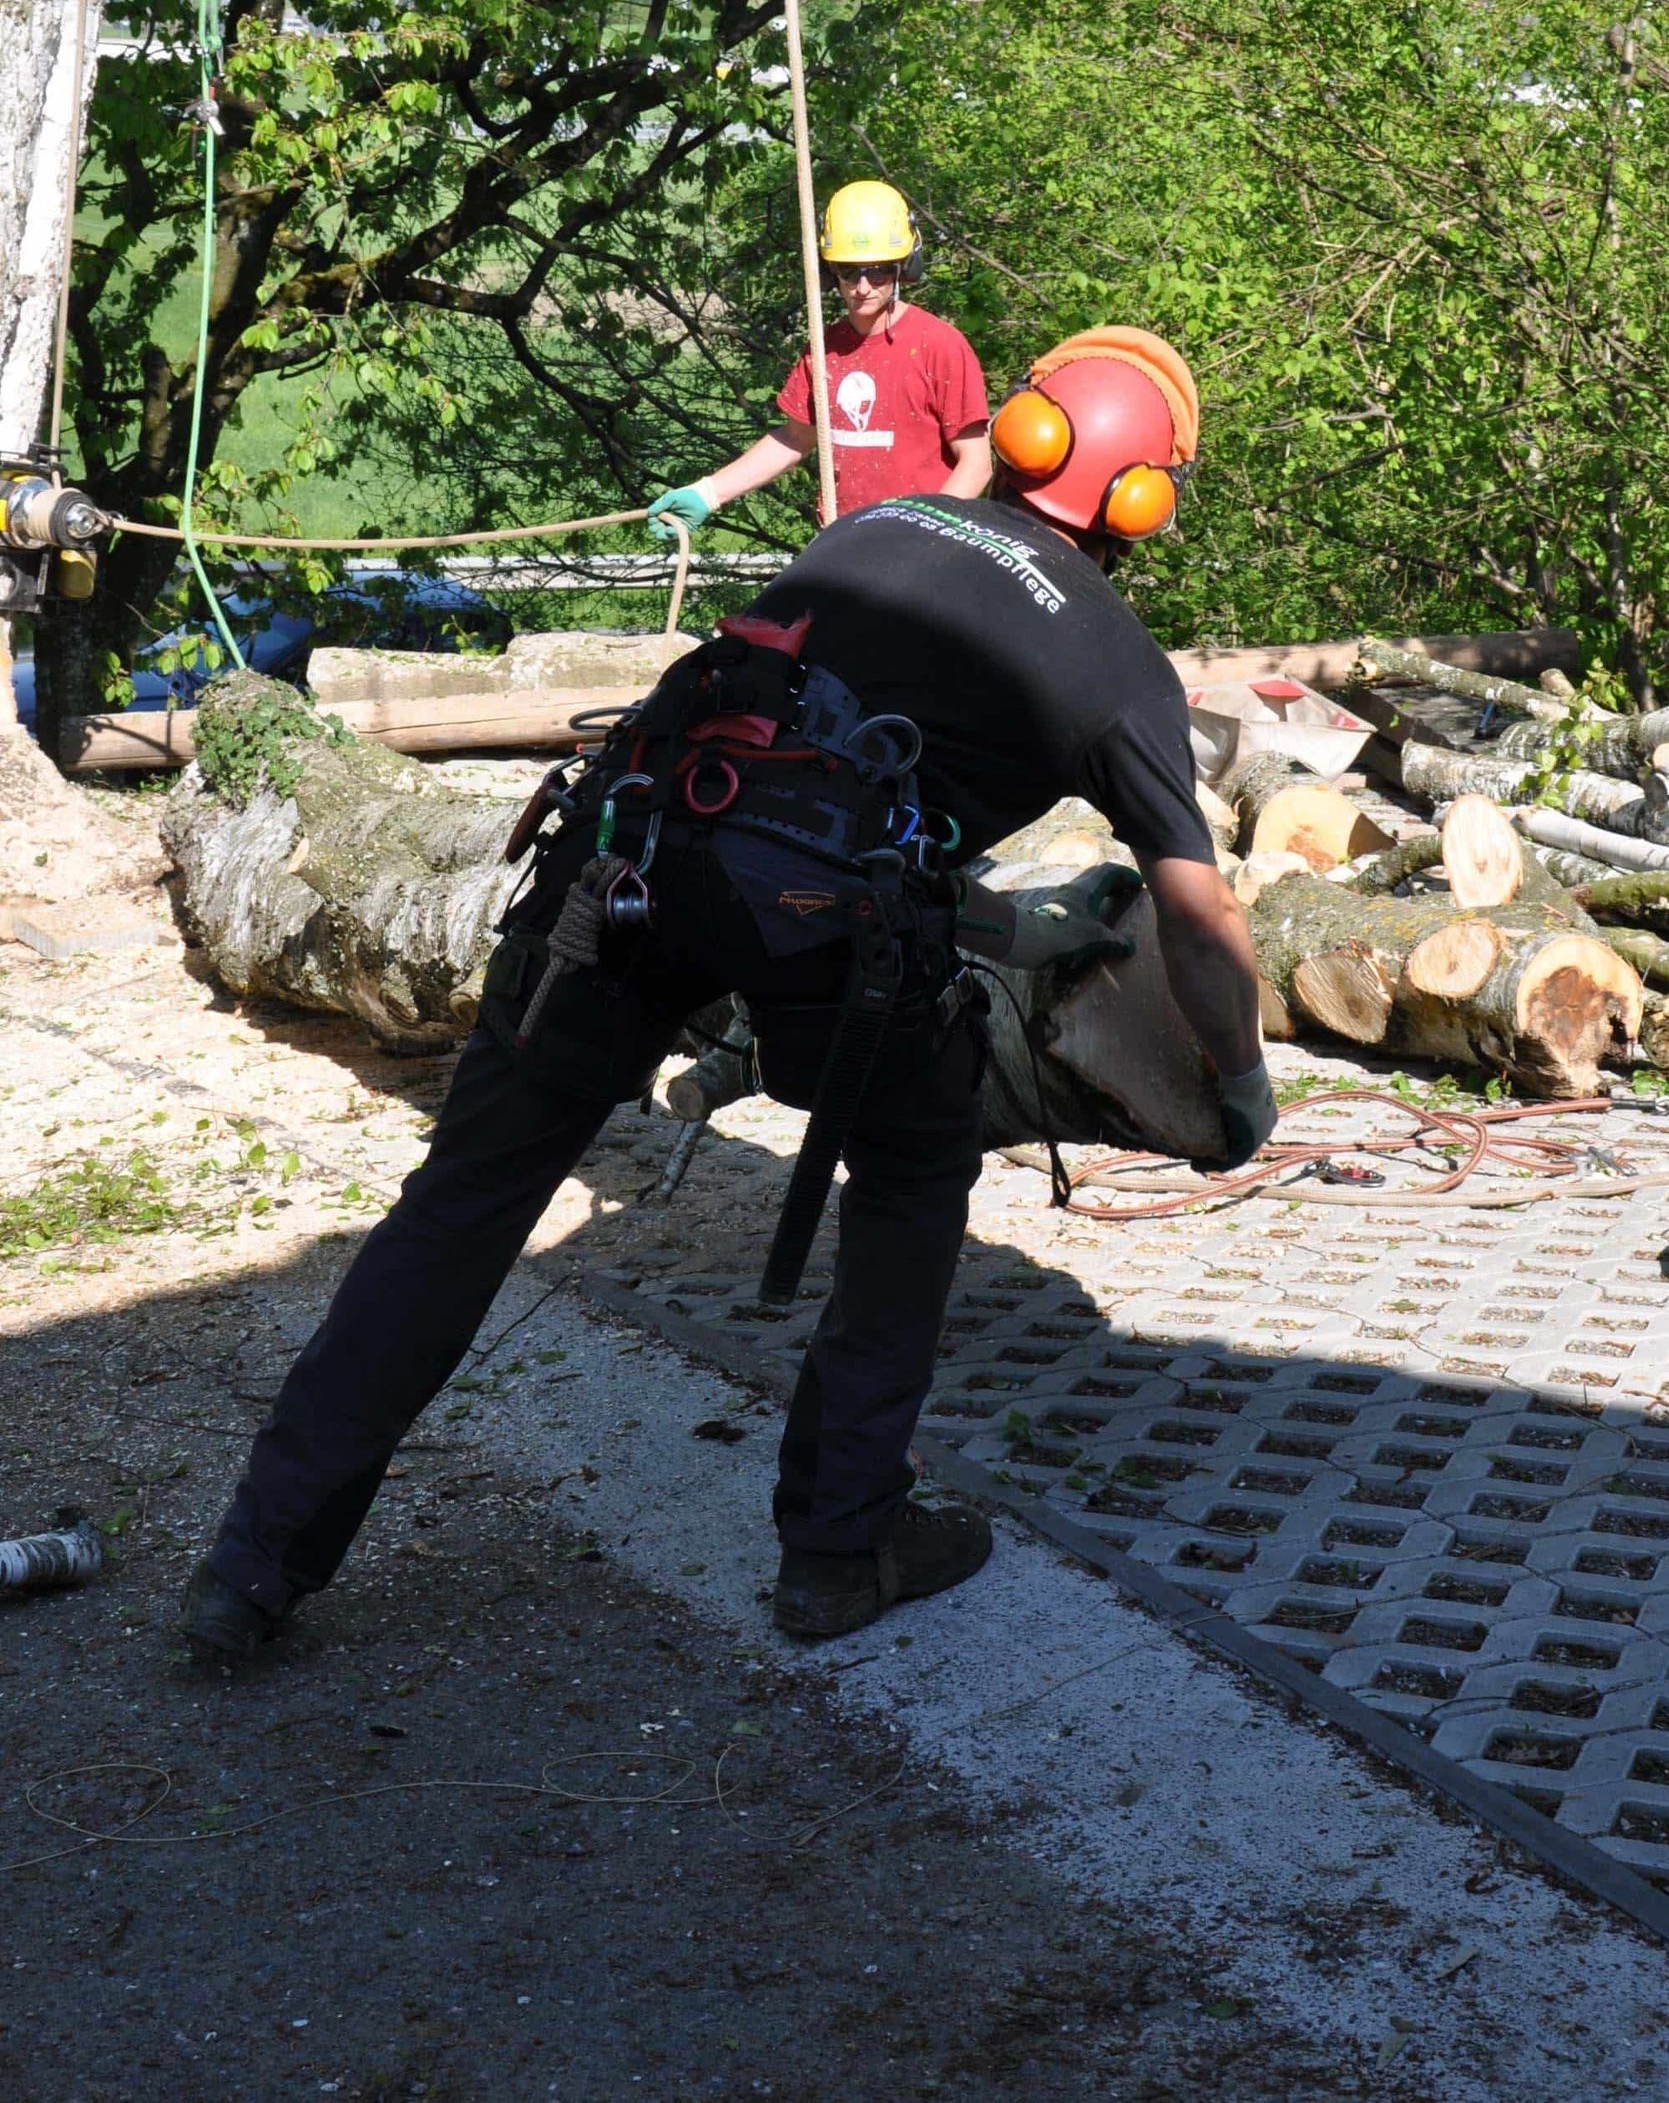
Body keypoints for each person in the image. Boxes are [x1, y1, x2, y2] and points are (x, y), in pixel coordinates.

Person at [180, 326, 1275, 1661]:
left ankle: (251, 1564)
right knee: (917, 1159)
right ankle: (841, 1539)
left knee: (465, 1198)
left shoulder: (886, 528)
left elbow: (790, 762)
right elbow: (1202, 917)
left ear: (1028, 434)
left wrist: (1005, 919)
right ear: (1141, 502)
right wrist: (1241, 1081)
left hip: (628, 853)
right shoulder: (1116, 662)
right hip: (820, 928)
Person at [645, 179, 992, 530]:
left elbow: (976, 464)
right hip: (843, 544)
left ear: (904, 265)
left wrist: (926, 534)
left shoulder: (940, 345)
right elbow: (796, 438)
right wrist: (708, 492)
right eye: (849, 272)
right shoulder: (826, 349)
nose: (863, 287)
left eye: (879, 271)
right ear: (830, 273)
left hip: (923, 549)